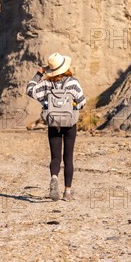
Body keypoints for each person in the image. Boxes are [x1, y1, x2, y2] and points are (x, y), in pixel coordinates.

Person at [26, 52, 87, 201]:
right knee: (68, 157)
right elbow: (82, 102)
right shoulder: (72, 82)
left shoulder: (46, 84)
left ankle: (54, 177)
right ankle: (67, 193)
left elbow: (30, 90)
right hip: (70, 124)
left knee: (55, 156)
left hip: (53, 123)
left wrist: (39, 73)